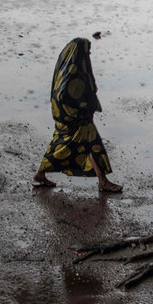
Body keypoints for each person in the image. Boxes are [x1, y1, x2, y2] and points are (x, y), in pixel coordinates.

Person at [33, 38, 123, 192]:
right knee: (89, 145)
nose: (89, 53)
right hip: (76, 119)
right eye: (86, 51)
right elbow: (68, 96)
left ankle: (41, 174)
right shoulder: (72, 74)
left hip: (69, 117)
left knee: (66, 145)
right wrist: (83, 111)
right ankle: (103, 182)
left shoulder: (67, 69)